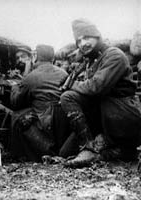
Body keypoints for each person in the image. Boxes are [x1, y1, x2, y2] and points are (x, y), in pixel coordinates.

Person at [60, 18, 141, 167]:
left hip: (121, 114)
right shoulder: (92, 60)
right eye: (79, 41)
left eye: (87, 37)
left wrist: (71, 83)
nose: (83, 43)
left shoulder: (114, 55)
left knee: (68, 97)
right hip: (103, 114)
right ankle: (117, 151)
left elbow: (96, 87)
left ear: (97, 36)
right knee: (65, 153)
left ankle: (91, 149)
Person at [9, 44, 70, 161]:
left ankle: (30, 154)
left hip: (47, 122)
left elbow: (16, 103)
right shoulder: (63, 73)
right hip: (63, 122)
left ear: (35, 56)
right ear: (52, 58)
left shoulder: (31, 76)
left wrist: (15, 86)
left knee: (17, 115)